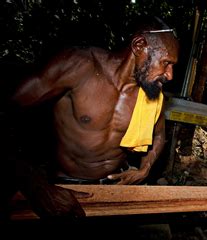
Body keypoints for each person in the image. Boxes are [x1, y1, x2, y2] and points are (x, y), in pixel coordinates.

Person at [6, 19, 179, 218]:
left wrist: (145, 169)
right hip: (66, 187)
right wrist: (34, 185)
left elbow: (159, 135)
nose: (170, 75)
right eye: (166, 63)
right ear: (139, 46)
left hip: (116, 188)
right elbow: (5, 113)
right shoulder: (78, 66)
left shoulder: (151, 94)